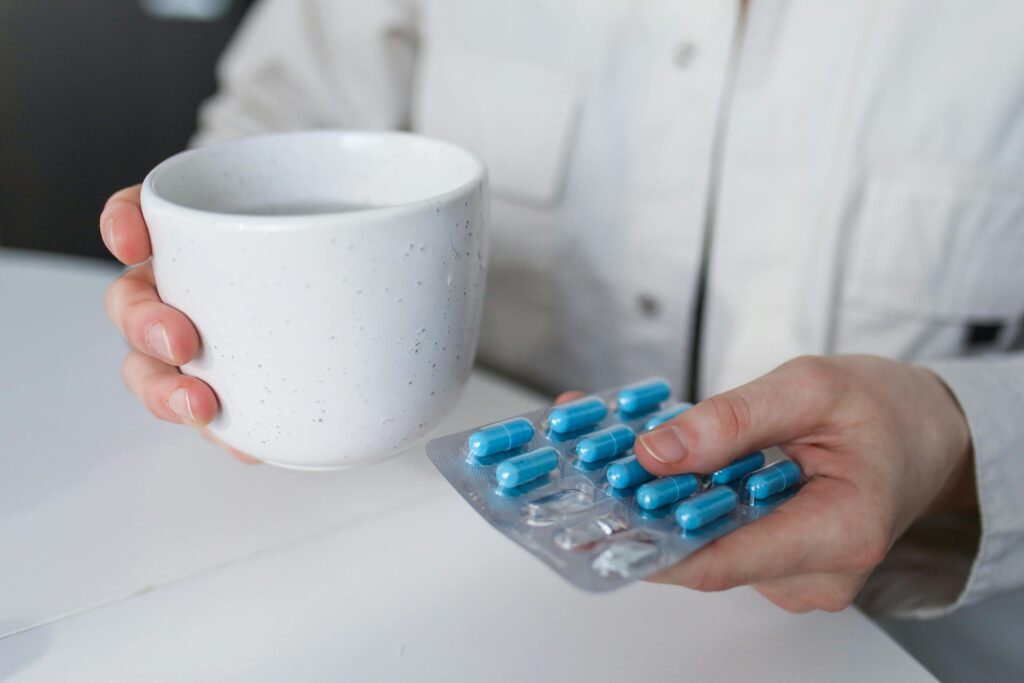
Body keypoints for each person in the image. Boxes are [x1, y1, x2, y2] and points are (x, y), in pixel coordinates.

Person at [99, 0, 1024, 617]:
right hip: (413, 576)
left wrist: (957, 436)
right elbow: (266, 133)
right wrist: (197, 274)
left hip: (900, 629)